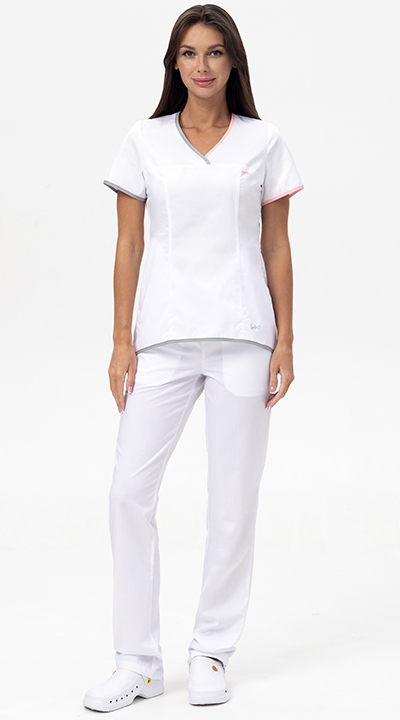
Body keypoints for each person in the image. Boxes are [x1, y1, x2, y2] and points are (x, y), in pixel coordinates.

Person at [83, 3, 304, 711]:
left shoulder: (264, 141)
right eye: (188, 53)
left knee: (232, 502)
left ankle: (211, 650)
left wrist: (285, 339)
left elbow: (275, 245)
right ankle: (138, 661)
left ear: (233, 61)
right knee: (127, 493)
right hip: (163, 337)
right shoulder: (144, 141)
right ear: (173, 64)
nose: (201, 65)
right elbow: (129, 244)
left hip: (244, 334)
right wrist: (121, 340)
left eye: (213, 52)